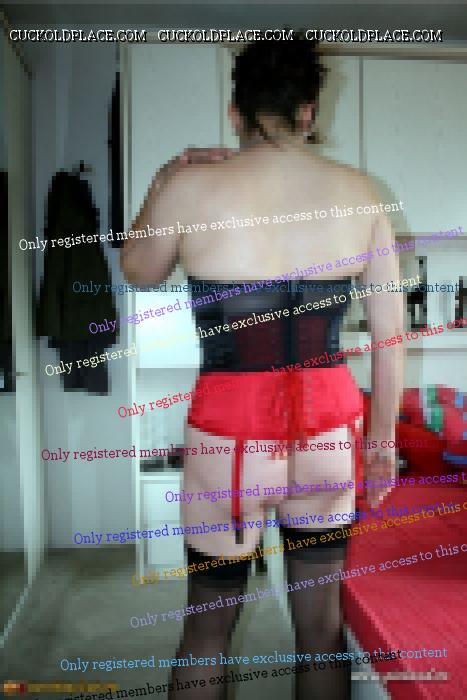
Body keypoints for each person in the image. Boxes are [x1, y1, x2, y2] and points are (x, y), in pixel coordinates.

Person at [122, 39, 403, 699]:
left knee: (206, 632)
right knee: (321, 629)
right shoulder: (360, 194)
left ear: (234, 112)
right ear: (308, 112)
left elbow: (138, 270)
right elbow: (389, 337)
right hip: (329, 434)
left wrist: (164, 177)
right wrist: (382, 441)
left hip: (229, 439)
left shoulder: (190, 188)